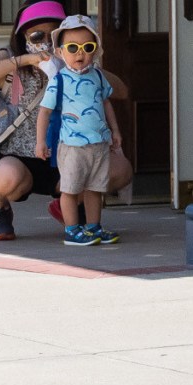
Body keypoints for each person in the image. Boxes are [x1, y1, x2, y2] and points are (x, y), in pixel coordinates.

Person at [0, 0, 131, 242]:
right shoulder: (9, 56)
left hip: (68, 152)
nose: (44, 43)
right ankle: (0, 208)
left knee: (120, 169)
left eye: (52, 34)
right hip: (19, 158)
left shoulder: (74, 58)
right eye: (36, 36)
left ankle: (70, 206)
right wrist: (25, 60)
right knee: (4, 179)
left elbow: (121, 91)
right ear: (22, 36)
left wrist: (79, 63)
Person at [34, 14, 122, 247]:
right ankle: (72, 229)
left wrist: (115, 131)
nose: (80, 53)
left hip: (99, 144)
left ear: (96, 50)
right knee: (70, 189)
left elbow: (106, 104)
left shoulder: (98, 77)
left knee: (95, 188)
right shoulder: (59, 80)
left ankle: (93, 226)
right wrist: (40, 141)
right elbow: (44, 112)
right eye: (72, 47)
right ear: (61, 52)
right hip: (72, 146)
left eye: (87, 47)